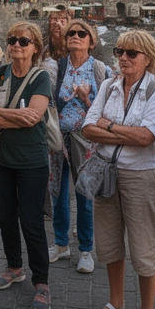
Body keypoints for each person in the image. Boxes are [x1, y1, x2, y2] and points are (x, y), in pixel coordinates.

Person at [81, 30, 155, 309]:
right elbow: (87, 126)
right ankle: (116, 303)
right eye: (120, 51)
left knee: (143, 247)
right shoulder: (108, 86)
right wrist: (120, 131)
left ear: (148, 57)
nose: (123, 58)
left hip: (142, 175)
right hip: (107, 172)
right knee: (108, 242)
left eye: (132, 53)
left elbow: (147, 137)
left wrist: (107, 127)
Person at [0, 22, 54, 309]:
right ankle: (14, 267)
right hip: (2, 159)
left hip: (32, 161)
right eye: (12, 40)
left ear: (35, 47)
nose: (17, 45)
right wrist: (11, 115)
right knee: (6, 218)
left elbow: (33, 118)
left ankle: (42, 282)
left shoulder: (40, 77)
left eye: (24, 40)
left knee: (32, 222)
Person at [43, 18, 109, 274]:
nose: (76, 36)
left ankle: (85, 249)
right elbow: (49, 100)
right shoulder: (58, 67)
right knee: (57, 192)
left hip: (87, 140)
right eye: (71, 33)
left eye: (82, 33)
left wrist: (85, 97)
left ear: (91, 42)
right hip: (59, 139)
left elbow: (106, 112)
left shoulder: (100, 70)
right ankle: (61, 244)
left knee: (85, 194)